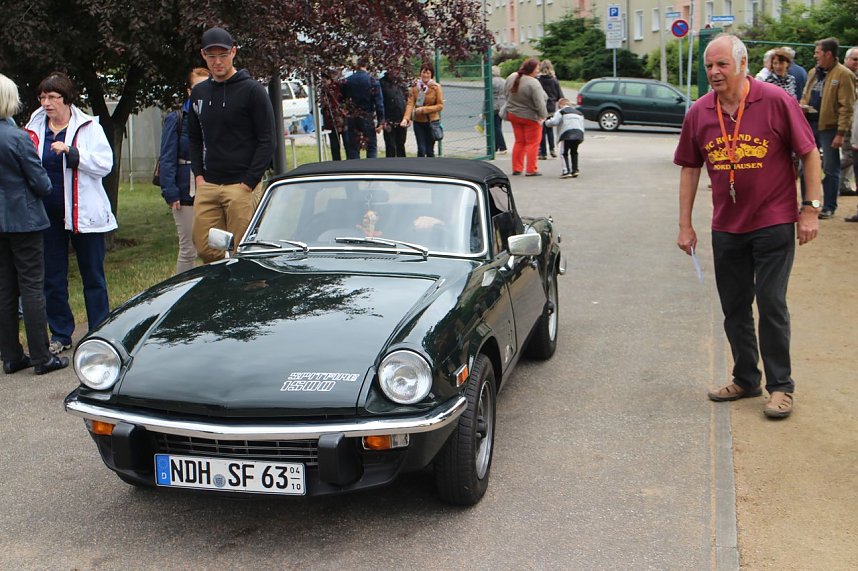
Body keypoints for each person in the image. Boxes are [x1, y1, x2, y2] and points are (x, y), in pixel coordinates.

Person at [674, 34, 822, 419]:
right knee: (735, 306)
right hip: (727, 225)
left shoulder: (775, 101)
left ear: (741, 64)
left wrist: (810, 209)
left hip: (773, 220)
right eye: (709, 65)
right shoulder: (700, 112)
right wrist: (685, 224)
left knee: (771, 302)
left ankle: (781, 387)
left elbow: (808, 154)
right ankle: (745, 378)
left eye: (721, 64)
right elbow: (691, 168)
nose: (714, 72)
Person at [24, 72, 116, 356]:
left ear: (66, 99)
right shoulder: (34, 126)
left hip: (83, 214)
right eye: (42, 97)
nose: (46, 103)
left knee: (93, 275)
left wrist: (72, 153)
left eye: (52, 97)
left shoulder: (88, 126)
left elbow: (105, 164)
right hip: (48, 215)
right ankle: (61, 333)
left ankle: (100, 332)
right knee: (53, 277)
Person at [188, 27, 276, 262]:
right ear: (203, 56)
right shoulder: (199, 92)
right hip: (208, 183)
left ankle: (248, 294)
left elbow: (267, 139)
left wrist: (250, 181)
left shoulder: (253, 91)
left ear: (234, 52)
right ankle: (220, 291)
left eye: (223, 55)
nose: (218, 61)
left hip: (241, 185)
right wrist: (198, 175)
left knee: (242, 252)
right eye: (212, 56)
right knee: (205, 248)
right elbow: (194, 137)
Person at [0, 74, 69, 374]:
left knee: (4, 289)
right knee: (31, 287)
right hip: (24, 219)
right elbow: (42, 183)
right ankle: (42, 356)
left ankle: (11, 355)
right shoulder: (16, 138)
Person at [158, 67, 210, 275]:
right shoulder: (177, 119)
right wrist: (170, 191)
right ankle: (183, 292)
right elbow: (167, 157)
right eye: (198, 87)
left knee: (213, 247)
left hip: (212, 187)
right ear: (189, 91)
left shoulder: (216, 115)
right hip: (185, 190)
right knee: (189, 248)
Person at [799, 37, 856, 219]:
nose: (815, 56)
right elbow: (805, 95)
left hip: (830, 127)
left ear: (828, 54)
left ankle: (829, 206)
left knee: (831, 168)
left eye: (818, 52)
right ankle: (808, 203)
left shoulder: (844, 75)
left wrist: (840, 133)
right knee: (803, 167)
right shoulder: (813, 73)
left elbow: (847, 106)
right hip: (810, 126)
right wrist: (803, 107)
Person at [504, 58, 548, 176]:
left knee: (519, 141)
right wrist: (543, 116)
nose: (538, 70)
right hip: (530, 117)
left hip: (513, 114)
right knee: (532, 143)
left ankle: (517, 168)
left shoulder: (512, 77)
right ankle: (531, 169)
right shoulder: (533, 83)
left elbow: (506, 93)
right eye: (537, 68)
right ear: (532, 69)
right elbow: (540, 103)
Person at [341, 59, 385, 160]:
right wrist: (381, 121)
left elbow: (342, 99)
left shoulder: (348, 81)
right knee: (371, 145)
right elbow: (379, 104)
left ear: (357, 67)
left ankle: (355, 170)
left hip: (352, 117)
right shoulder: (373, 81)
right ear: (367, 67)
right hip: (367, 115)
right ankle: (371, 169)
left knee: (353, 146)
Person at [400, 62, 444, 158]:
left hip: (431, 122)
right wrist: (406, 118)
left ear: (431, 74)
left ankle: (431, 170)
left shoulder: (436, 87)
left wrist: (424, 109)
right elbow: (410, 104)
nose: (425, 75)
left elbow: (440, 105)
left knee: (429, 151)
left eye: (428, 73)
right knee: (421, 149)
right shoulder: (415, 87)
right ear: (420, 73)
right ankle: (419, 169)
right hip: (418, 122)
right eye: (424, 72)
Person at [544, 98, 584, 178]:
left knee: (564, 153)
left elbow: (554, 122)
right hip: (579, 134)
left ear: (560, 104)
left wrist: (546, 122)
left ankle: (566, 171)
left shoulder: (561, 111)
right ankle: (575, 170)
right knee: (574, 152)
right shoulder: (579, 113)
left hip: (567, 134)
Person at [839, 47, 858, 199]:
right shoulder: (843, 76)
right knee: (849, 156)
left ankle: (843, 184)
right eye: (854, 59)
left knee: (850, 156)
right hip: (846, 123)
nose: (857, 63)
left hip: (854, 124)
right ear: (846, 60)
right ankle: (831, 170)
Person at [537, 60, 563, 160]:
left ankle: (543, 152)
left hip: (542, 106)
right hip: (551, 107)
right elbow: (560, 95)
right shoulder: (554, 80)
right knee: (549, 129)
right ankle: (552, 149)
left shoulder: (538, 80)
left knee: (542, 130)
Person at [379, 69, 408, 157]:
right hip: (389, 121)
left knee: (401, 145)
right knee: (390, 146)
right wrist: (382, 120)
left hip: (401, 120)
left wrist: (408, 117)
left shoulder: (401, 82)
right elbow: (379, 102)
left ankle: (403, 167)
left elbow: (407, 100)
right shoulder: (382, 83)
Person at [320, 71, 345, 161]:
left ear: (330, 79)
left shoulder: (338, 88)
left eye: (325, 81)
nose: (324, 83)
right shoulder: (323, 91)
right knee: (334, 146)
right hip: (330, 123)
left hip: (341, 120)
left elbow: (339, 103)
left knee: (347, 144)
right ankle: (337, 162)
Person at [491, 66, 508, 154]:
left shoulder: (491, 82)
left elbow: (488, 96)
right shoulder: (504, 81)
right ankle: (496, 146)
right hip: (502, 105)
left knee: (495, 127)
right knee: (498, 125)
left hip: (493, 105)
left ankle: (502, 146)